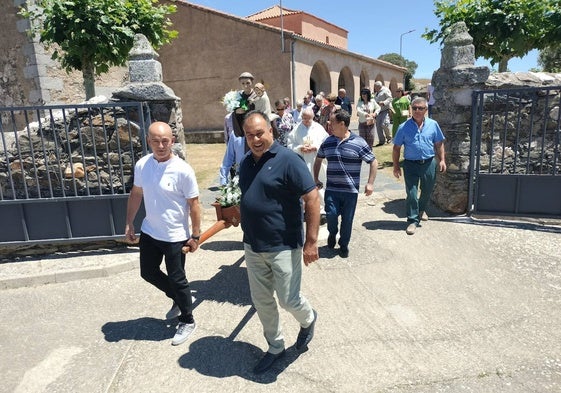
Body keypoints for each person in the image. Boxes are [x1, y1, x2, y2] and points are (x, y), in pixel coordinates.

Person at [238, 110, 320, 374]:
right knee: (261, 301)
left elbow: (312, 199)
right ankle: (275, 347)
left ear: (271, 131)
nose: (255, 139)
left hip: (283, 245)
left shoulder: (288, 160)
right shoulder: (246, 163)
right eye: (249, 135)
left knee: (288, 299)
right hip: (252, 245)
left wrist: (311, 242)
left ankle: (308, 318)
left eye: (260, 133)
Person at [125, 121, 201, 346]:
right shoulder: (142, 165)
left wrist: (195, 236)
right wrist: (129, 222)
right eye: (156, 141)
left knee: (178, 279)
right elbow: (136, 193)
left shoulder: (183, 170)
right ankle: (180, 299)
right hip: (150, 230)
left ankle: (187, 320)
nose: (161, 145)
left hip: (175, 235)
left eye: (165, 141)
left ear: (172, 141)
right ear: (148, 141)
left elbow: (195, 204)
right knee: (147, 272)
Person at [313, 109, 378, 258]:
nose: (329, 125)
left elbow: (373, 162)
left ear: (342, 124)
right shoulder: (328, 142)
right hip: (332, 190)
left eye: (332, 122)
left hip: (350, 192)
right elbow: (318, 160)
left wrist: (370, 183)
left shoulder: (359, 142)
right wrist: (316, 179)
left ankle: (343, 245)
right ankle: (332, 233)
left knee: (347, 221)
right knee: (331, 216)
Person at [392, 97, 446, 235]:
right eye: (414, 108)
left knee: (427, 190)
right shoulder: (403, 127)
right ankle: (412, 220)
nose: (417, 110)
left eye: (420, 108)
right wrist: (396, 166)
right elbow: (396, 148)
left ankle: (421, 210)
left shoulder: (433, 125)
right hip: (410, 164)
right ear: (411, 109)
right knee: (411, 193)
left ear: (425, 110)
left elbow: (439, 143)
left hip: (428, 163)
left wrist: (442, 160)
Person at [287, 107, 329, 223]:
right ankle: (306, 210)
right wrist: (300, 148)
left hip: (317, 160)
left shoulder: (319, 128)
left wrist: (315, 147)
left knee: (319, 184)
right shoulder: (296, 129)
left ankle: (322, 211)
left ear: (313, 117)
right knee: (304, 186)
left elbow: (326, 141)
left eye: (308, 119)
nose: (305, 121)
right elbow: (290, 144)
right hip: (303, 161)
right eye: (304, 118)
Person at [231, 72, 256, 138]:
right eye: (243, 83)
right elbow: (234, 113)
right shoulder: (238, 97)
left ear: (252, 82)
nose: (245, 86)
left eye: (248, 83)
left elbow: (265, 110)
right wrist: (236, 112)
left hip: (256, 129)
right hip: (244, 131)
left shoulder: (258, 95)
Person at [373, 81, 393, 145]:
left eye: (375, 87)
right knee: (378, 126)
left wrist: (384, 102)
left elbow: (390, 98)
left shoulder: (385, 90)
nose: (374, 88)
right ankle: (381, 141)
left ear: (379, 86)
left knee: (384, 124)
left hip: (385, 109)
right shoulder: (376, 92)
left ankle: (389, 138)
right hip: (378, 111)